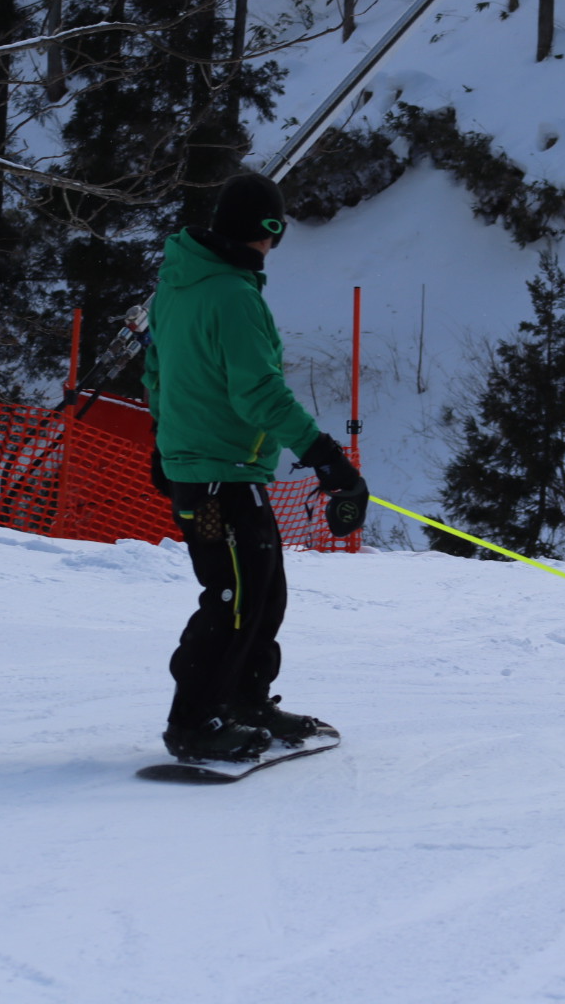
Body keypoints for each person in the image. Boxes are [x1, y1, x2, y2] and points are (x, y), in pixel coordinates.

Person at [142, 171, 368, 763]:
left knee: (264, 593)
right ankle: (194, 721)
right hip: (220, 476)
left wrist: (165, 443)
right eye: (276, 230)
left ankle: (244, 700)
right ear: (267, 230)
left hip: (220, 470)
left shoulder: (177, 287)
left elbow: (156, 371)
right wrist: (324, 457)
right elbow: (259, 393)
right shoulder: (233, 296)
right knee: (232, 594)